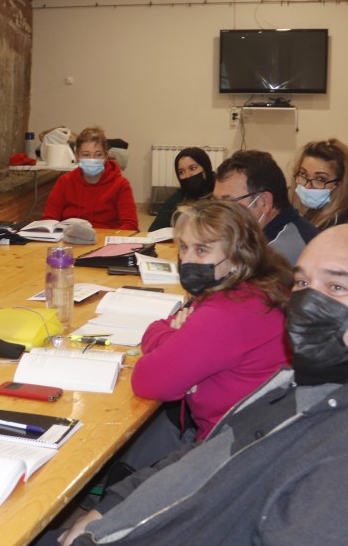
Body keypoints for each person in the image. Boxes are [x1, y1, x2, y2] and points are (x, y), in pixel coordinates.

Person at [18, 223, 348, 546]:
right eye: (304, 284)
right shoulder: (321, 376)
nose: (309, 303)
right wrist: (109, 508)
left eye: (338, 286)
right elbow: (211, 451)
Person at [120, 199, 292, 470]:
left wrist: (176, 337)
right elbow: (163, 327)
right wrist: (179, 337)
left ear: (237, 256)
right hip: (264, 436)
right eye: (184, 248)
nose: (187, 260)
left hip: (231, 452)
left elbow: (147, 380)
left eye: (202, 250)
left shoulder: (228, 312)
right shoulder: (254, 286)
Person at [213, 149, 318, 264]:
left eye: (228, 202)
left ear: (264, 202)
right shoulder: (261, 236)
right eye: (215, 202)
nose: (218, 212)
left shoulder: (277, 255)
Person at [42, 126, 138, 230]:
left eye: (98, 154)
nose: (92, 159)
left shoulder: (120, 184)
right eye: (86, 155)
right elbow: (49, 219)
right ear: (77, 156)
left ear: (106, 156)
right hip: (70, 239)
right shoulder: (65, 181)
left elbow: (130, 224)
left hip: (107, 240)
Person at [290, 138, 348, 230]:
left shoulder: (339, 226)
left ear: (340, 184)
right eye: (303, 174)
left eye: (320, 179)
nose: (307, 186)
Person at [148, 147, 215, 232]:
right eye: (181, 172)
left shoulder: (219, 193)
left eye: (192, 168)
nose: (187, 175)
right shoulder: (179, 197)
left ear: (206, 168)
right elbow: (154, 231)